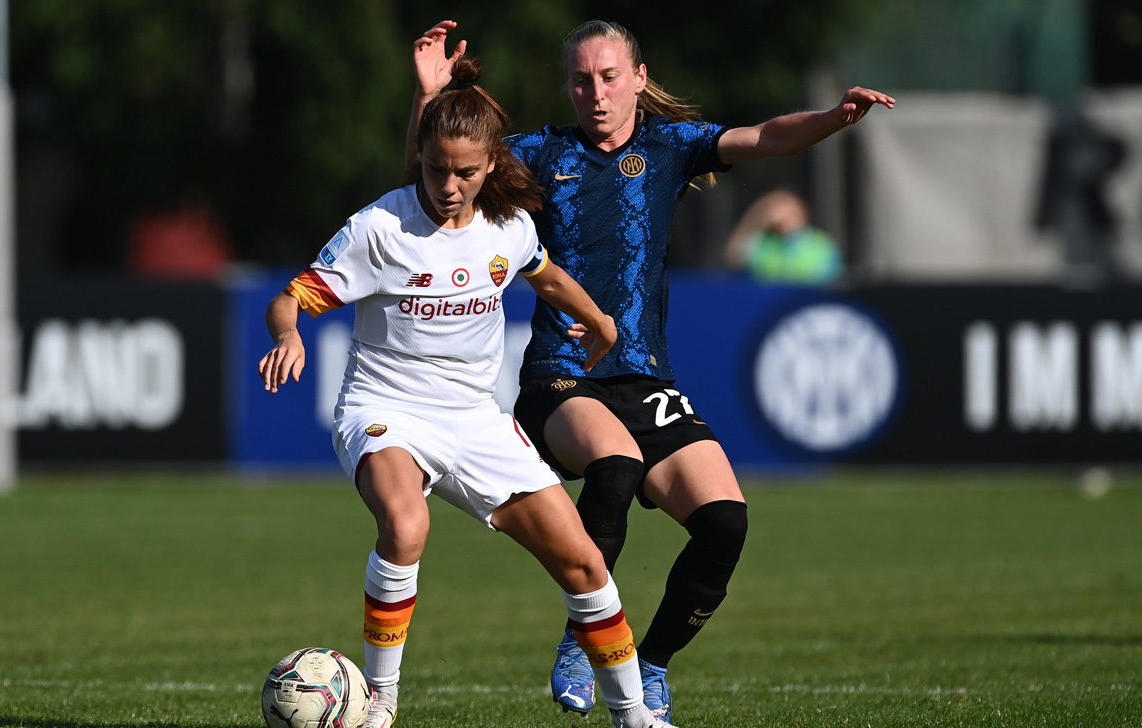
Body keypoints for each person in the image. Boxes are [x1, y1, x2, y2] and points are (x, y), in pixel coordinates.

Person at [410, 20, 895, 724]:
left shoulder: (671, 146)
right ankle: (582, 639)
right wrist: (429, 97)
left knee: (725, 523)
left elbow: (765, 137)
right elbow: (438, 169)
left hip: (644, 379)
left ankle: (653, 664)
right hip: (561, 377)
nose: (596, 93)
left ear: (638, 79)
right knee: (616, 463)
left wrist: (834, 118)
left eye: (609, 77)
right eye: (582, 80)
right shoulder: (540, 154)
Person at [260, 56, 676, 728]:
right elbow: (290, 298)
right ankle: (380, 705)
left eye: (465, 172)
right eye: (435, 169)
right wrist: (289, 335)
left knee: (583, 563)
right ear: (419, 157)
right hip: (386, 409)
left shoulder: (507, 228)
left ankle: (634, 717)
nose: (448, 186)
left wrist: (599, 320)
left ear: (490, 166)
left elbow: (544, 274)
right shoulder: (380, 228)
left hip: (476, 418)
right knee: (406, 526)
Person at [723, 188, 842, 283]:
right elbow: (733, 258)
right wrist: (759, 216)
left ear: (802, 210)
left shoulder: (821, 244)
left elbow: (831, 280)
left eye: (790, 210)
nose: (784, 216)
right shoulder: (762, 243)